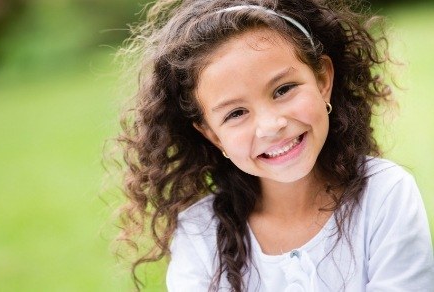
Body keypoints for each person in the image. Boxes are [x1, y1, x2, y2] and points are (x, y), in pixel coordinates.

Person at [113, 0, 434, 291]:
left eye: (283, 89)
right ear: (212, 134)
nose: (271, 126)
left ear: (323, 80)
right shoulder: (199, 235)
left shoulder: (384, 193)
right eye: (236, 113)